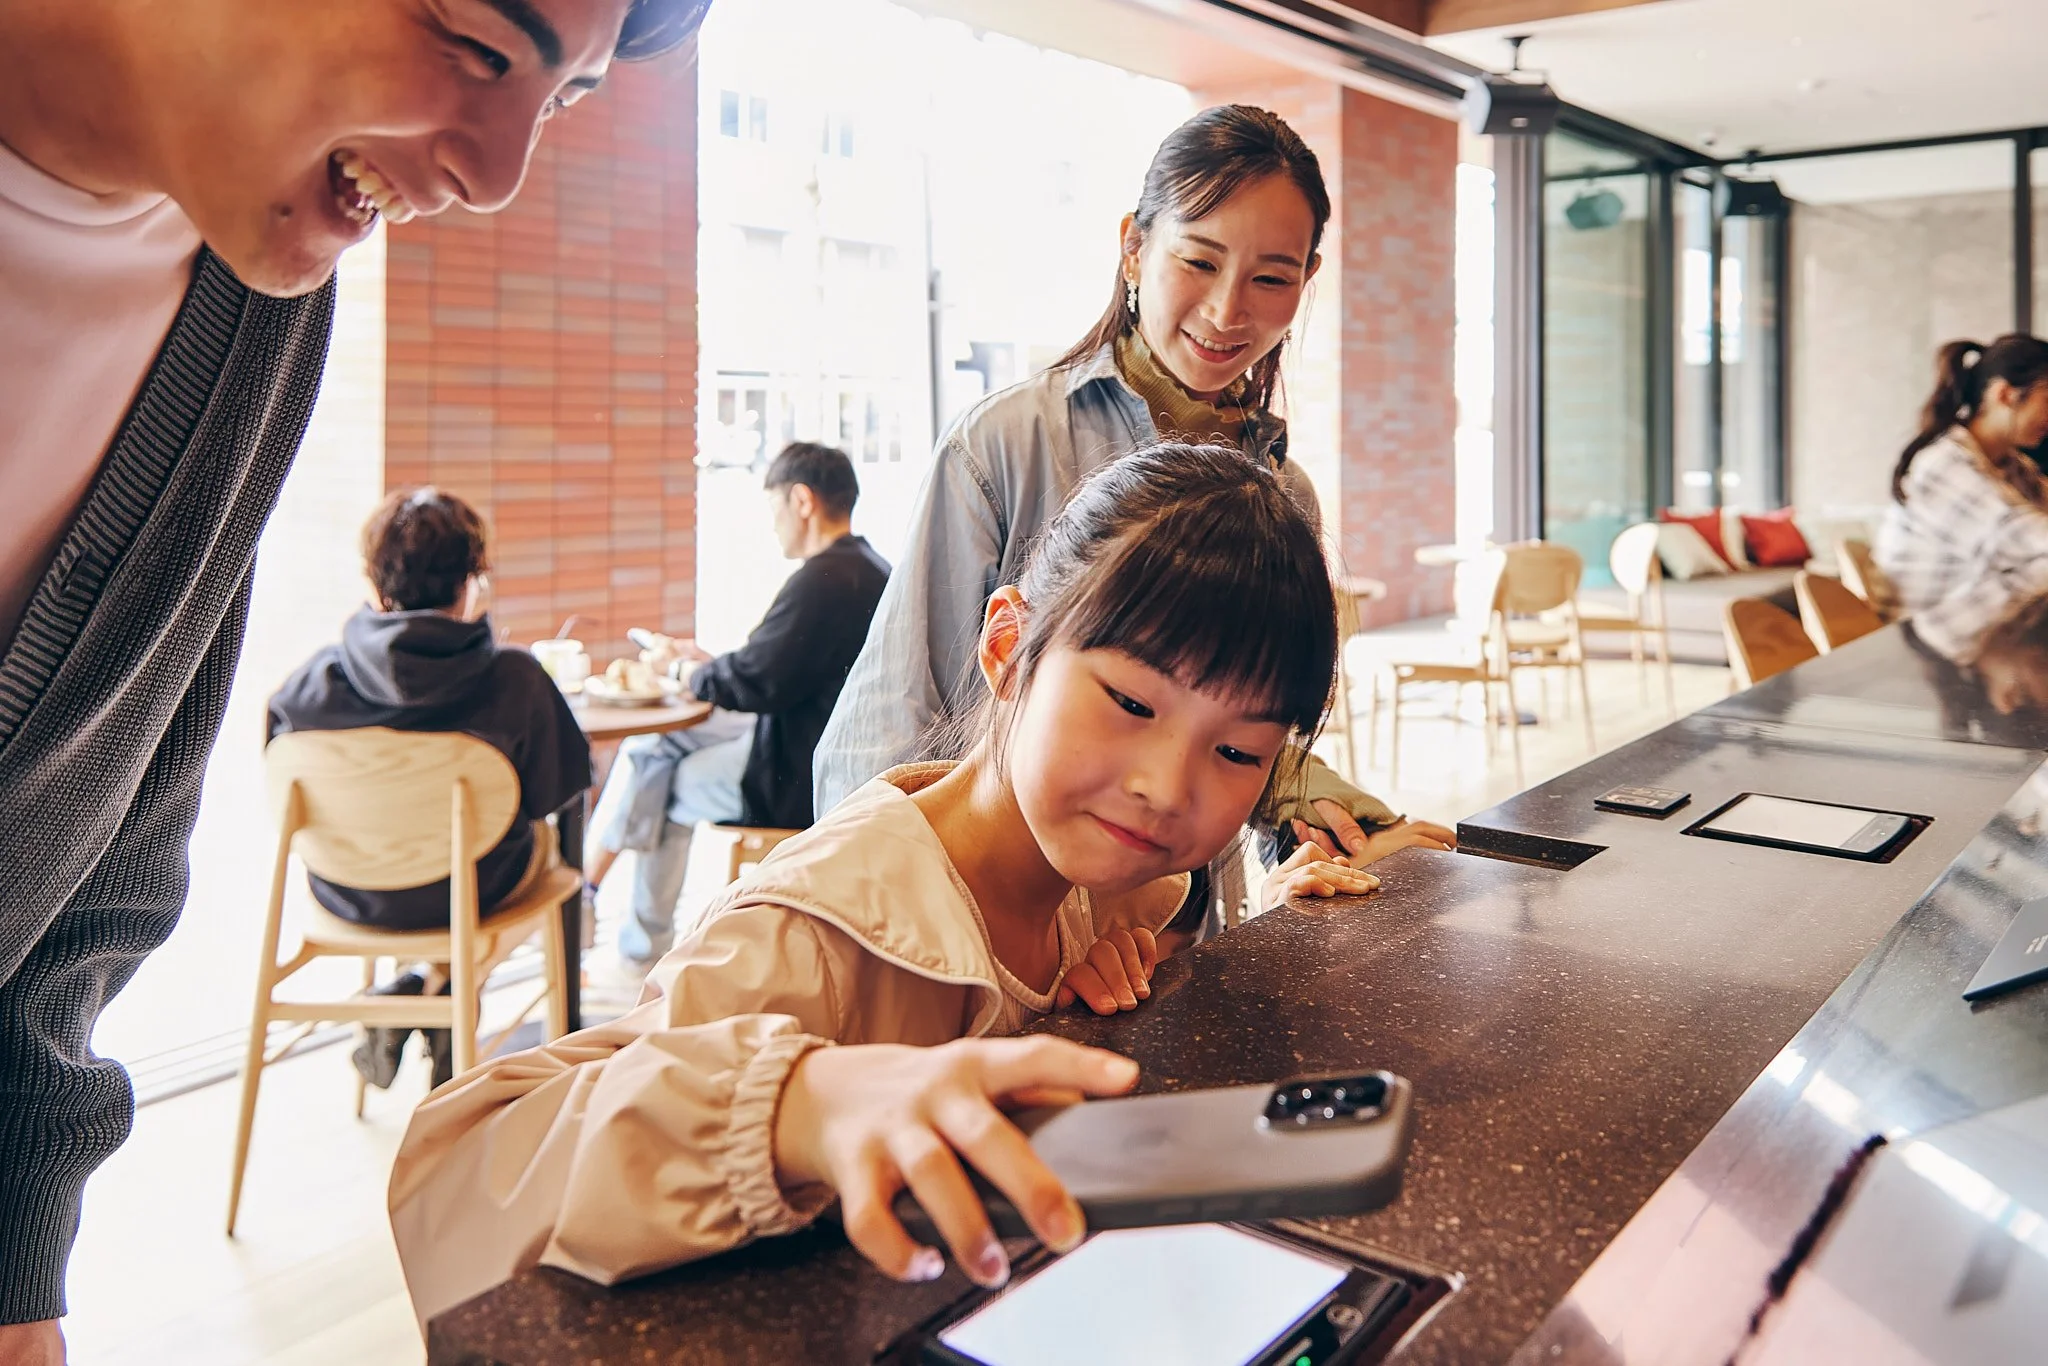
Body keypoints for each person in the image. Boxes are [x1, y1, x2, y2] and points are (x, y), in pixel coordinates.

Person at [0, 1, 709, 1355]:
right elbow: (555, 801)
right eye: (475, 43)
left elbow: (113, 835)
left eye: (560, 103)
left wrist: (19, 1258)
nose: (495, 177)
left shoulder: (259, 312)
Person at [387, 442, 1380, 1322]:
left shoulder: (1103, 880)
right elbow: (452, 1179)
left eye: (1238, 753)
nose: (1167, 787)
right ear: (1005, 649)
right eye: (1128, 701)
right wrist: (793, 1105)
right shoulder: (809, 929)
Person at [811, 104, 1452, 933]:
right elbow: (890, 729)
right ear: (1134, 247)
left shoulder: (1284, 495)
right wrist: (892, 940)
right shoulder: (1009, 442)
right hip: (996, 939)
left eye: (1271, 277)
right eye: (1199, 259)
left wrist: (1317, 820)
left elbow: (1231, 730)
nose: (1228, 311)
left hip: (1163, 942)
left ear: (1306, 280)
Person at [266, 488, 591, 1087]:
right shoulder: (515, 678)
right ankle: (443, 991)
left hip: (349, 893)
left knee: (473, 874)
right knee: (548, 864)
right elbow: (556, 794)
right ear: (473, 580)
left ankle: (427, 988)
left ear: (372, 579)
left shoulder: (312, 679)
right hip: (475, 890)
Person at [585, 441, 891, 967]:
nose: (771, 525)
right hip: (811, 740)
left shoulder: (824, 580)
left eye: (772, 507)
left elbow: (758, 682)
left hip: (794, 773)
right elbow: (774, 666)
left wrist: (686, 671)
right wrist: (708, 664)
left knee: (662, 781)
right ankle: (594, 896)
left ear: (801, 501)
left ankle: (632, 940)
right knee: (653, 745)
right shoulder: (867, 567)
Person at [1874, 335, 2048, 664]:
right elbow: (2023, 538)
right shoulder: (1944, 464)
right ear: (2005, 394)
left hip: (1978, 634)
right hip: (1921, 650)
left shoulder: (2010, 465)